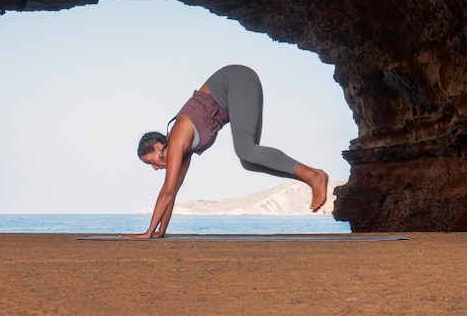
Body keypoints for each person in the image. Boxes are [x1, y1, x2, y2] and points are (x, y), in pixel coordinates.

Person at [120, 65, 328, 239]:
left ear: (158, 147)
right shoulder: (182, 148)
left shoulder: (176, 139)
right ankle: (311, 177)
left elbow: (166, 190)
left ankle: (313, 176)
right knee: (248, 160)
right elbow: (172, 191)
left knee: (245, 150)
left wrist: (147, 233)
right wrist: (160, 231)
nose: (155, 168)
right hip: (237, 90)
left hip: (237, 80)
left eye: (151, 162)